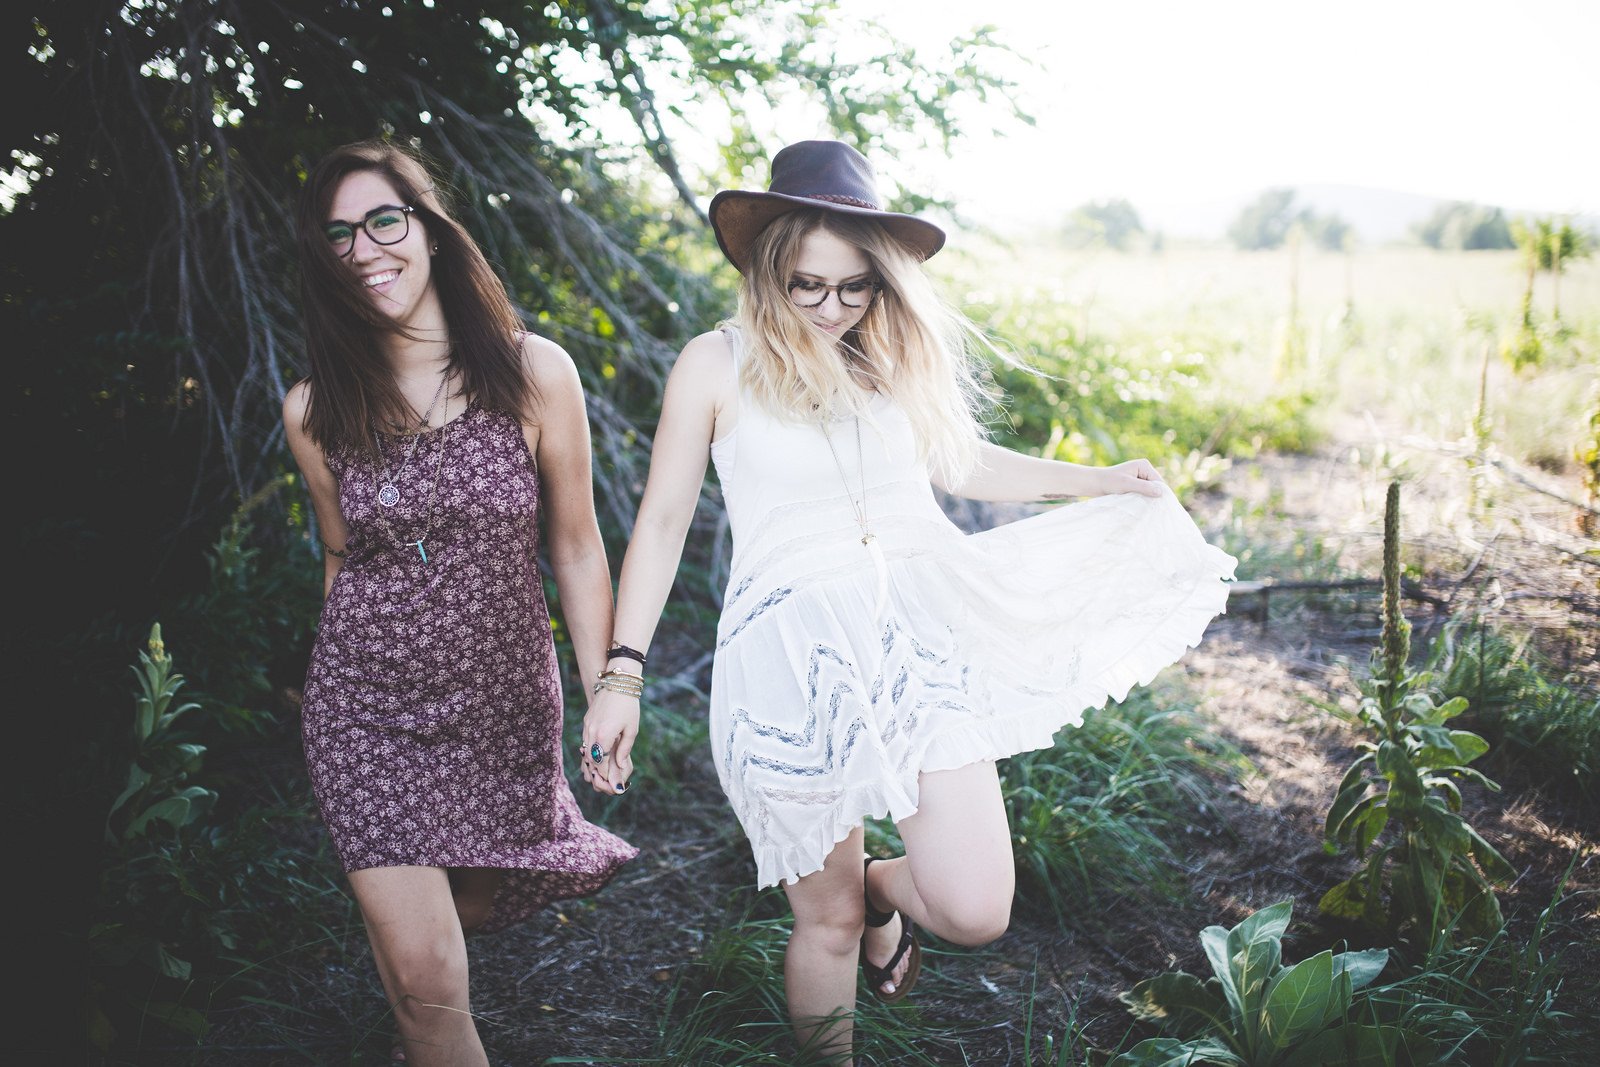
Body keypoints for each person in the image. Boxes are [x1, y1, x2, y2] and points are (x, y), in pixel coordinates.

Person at [581, 139, 1235, 1062]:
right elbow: (658, 526)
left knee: (974, 909)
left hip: (919, 648)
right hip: (789, 662)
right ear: (769, 268)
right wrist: (623, 675)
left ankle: (886, 891)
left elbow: (960, 462)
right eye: (808, 285)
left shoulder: (884, 361)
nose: (830, 307)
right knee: (828, 922)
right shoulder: (714, 364)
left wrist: (1098, 481)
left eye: (855, 288)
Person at [283, 141, 637, 1066]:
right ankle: (420, 1003)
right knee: (433, 979)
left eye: (383, 221)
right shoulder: (315, 407)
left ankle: (412, 1001)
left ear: (430, 229)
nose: (363, 250)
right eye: (338, 237)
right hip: (368, 709)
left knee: (459, 916)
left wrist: (609, 685)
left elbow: (576, 543)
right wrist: (337, 688)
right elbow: (339, 555)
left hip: (502, 707)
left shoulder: (533, 373)